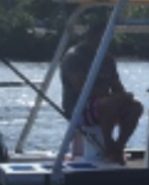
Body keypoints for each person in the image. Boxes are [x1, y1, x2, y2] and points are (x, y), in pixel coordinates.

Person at [60, 16, 143, 164]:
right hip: (78, 107)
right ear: (93, 35)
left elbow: (117, 85)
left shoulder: (107, 59)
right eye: (104, 36)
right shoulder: (74, 57)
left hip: (104, 103)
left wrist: (124, 96)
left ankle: (119, 146)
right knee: (108, 104)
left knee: (135, 107)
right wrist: (113, 97)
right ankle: (107, 145)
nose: (108, 41)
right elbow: (81, 88)